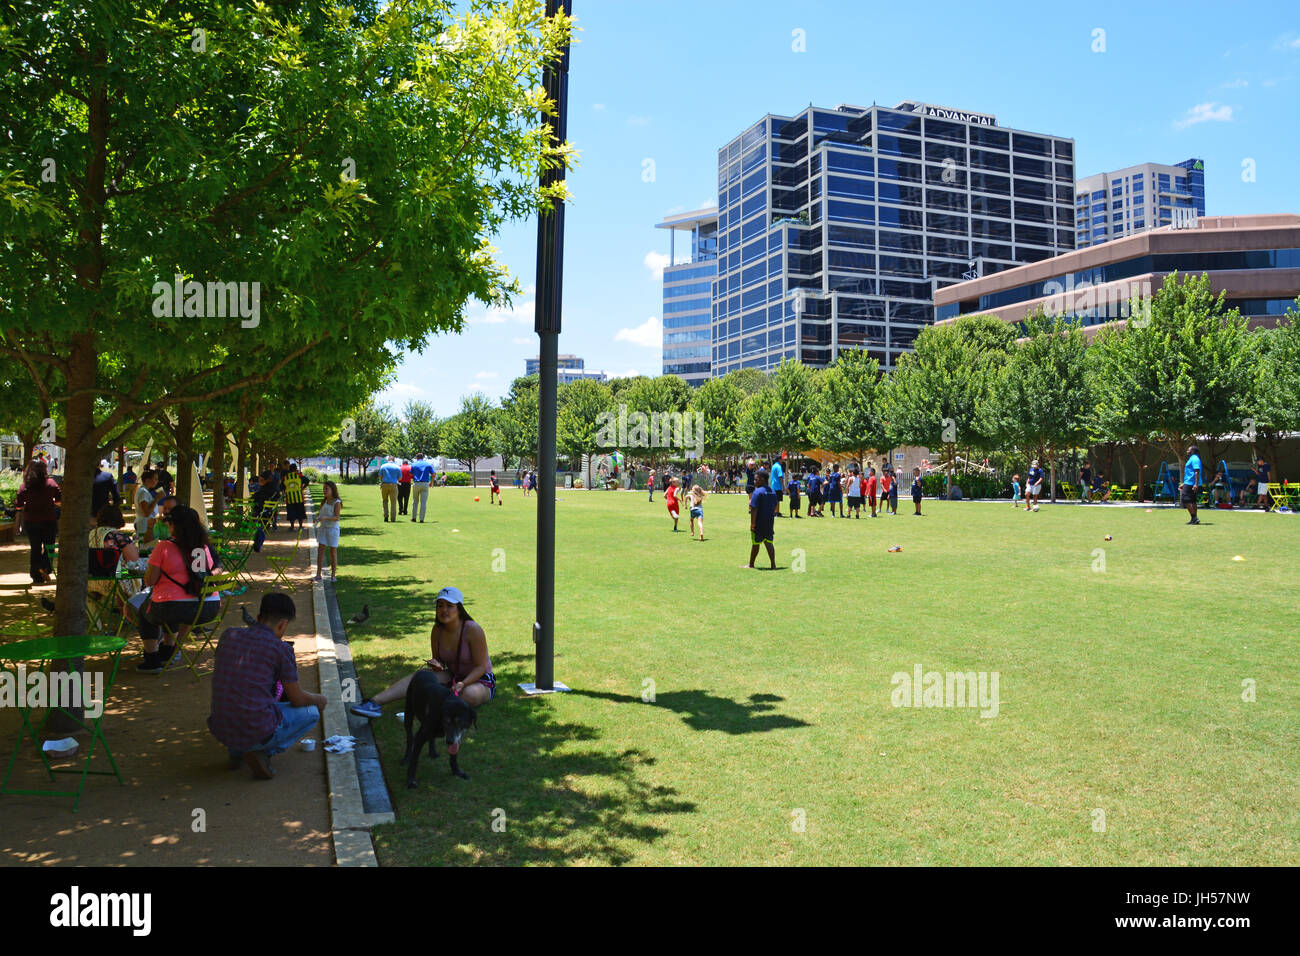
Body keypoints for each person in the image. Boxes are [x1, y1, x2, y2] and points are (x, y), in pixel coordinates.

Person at [208, 592, 326, 780]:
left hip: (220, 727)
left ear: (258, 618)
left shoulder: (229, 635)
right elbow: (297, 698)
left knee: (243, 702)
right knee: (311, 712)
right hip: (255, 726)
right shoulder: (280, 649)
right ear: (283, 624)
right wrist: (319, 699)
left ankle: (237, 751)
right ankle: (262, 752)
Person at [352, 586, 495, 718]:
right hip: (453, 675)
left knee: (469, 694)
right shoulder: (437, 630)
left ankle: (434, 704)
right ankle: (374, 703)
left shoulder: (472, 630)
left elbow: (480, 667)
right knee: (422, 676)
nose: (444, 610)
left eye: (450, 606)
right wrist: (436, 665)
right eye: (440, 605)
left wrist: (463, 683)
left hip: (479, 679)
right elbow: (439, 660)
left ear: (459, 609)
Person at [135, 505, 221, 673]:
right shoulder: (203, 547)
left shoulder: (164, 547)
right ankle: (168, 649)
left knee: (146, 611)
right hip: (208, 607)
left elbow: (150, 580)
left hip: (174, 607)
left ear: (174, 525)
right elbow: (209, 573)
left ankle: (152, 658)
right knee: (172, 603)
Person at [88, 504, 144, 615]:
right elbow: (134, 560)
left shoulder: (90, 534)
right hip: (115, 579)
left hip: (91, 579)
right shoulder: (117, 536)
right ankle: (136, 612)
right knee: (145, 572)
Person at [14, 459, 61, 585]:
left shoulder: (25, 485)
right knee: (49, 547)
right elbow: (59, 500)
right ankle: (45, 567)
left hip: (31, 520)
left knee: (35, 547)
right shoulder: (50, 483)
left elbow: (18, 504)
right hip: (49, 519)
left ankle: (36, 574)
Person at [747, 468, 777, 570]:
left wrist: (752, 524)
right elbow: (775, 506)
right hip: (769, 522)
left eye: (756, 480)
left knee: (755, 543)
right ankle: (773, 565)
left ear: (763, 479)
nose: (754, 482)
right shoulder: (772, 491)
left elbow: (754, 509)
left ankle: (751, 564)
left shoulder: (757, 492)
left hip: (758, 522)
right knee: (769, 542)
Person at [315, 481, 342, 580]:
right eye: (324, 489)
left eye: (327, 489)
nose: (324, 491)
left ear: (332, 490)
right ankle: (318, 574)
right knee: (320, 551)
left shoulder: (337, 502)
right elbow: (320, 514)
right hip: (323, 529)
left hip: (332, 530)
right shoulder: (324, 501)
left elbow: (337, 517)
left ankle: (333, 575)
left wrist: (325, 518)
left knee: (333, 552)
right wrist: (318, 518)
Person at [282, 463, 308, 531]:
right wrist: (302, 488)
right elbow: (307, 481)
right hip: (299, 497)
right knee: (300, 513)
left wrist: (286, 490)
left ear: (289, 469)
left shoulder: (285, 477)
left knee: (291, 513)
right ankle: (300, 526)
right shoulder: (299, 476)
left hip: (289, 498)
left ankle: (292, 527)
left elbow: (282, 486)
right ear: (296, 469)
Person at [409, 453, 434, 522]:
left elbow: (410, 474)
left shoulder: (414, 464)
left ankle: (414, 518)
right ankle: (421, 519)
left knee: (415, 501)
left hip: (416, 483)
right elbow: (433, 474)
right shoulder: (428, 464)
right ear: (423, 457)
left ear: (417, 458)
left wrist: (414, 476)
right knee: (423, 502)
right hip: (425, 484)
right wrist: (431, 482)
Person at [1182, 445, 1203, 525]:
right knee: (1193, 501)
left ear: (1192, 451)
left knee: (1185, 499)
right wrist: (1184, 483)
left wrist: (1196, 484)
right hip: (1189, 482)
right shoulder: (1193, 458)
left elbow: (1196, 471)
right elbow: (1190, 472)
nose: (1187, 451)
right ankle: (1194, 519)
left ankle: (1194, 517)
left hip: (1191, 483)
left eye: (1188, 450)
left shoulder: (1194, 458)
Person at [378, 455, 401, 522]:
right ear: (394, 460)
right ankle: (393, 518)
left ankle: (386, 516)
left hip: (384, 484)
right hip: (394, 485)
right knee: (393, 502)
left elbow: (380, 476)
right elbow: (400, 478)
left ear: (388, 460)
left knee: (385, 501)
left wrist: (383, 480)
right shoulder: (397, 467)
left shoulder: (383, 466)